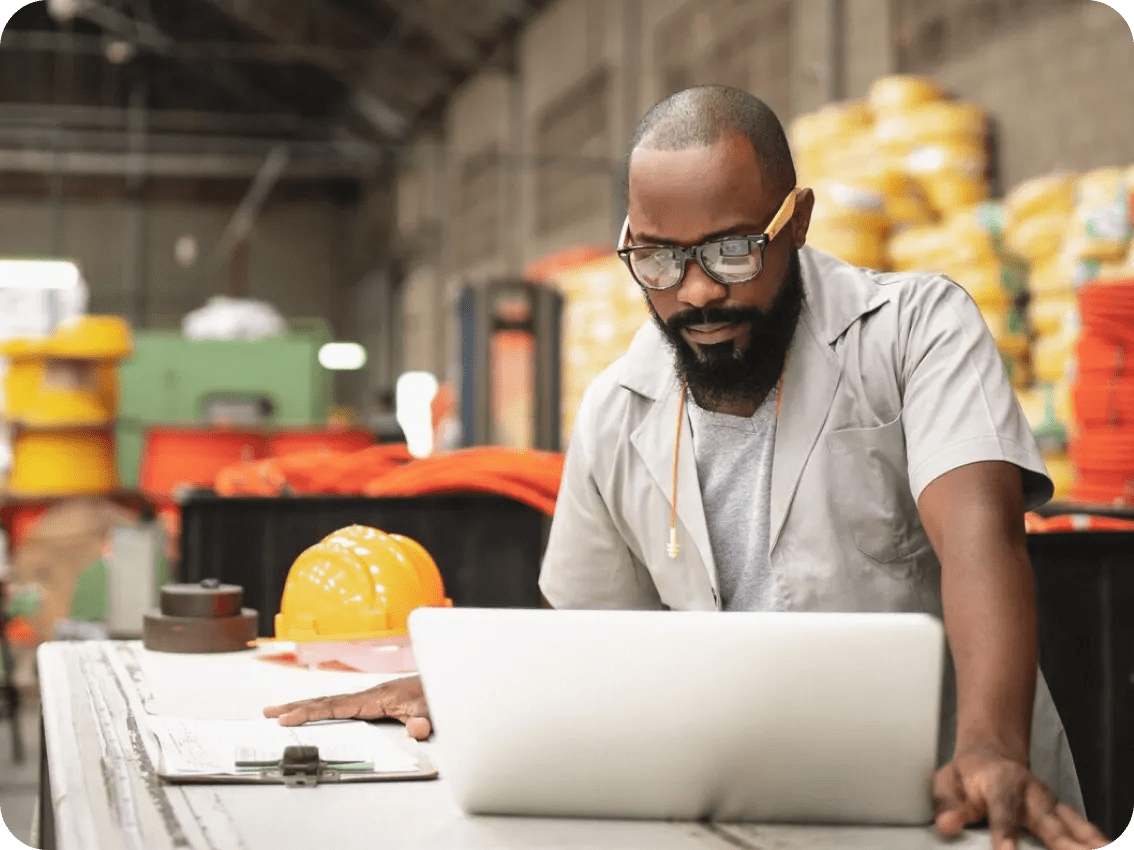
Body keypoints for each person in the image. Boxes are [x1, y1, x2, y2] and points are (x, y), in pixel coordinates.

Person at [265, 86, 1110, 850]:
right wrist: (469, 688)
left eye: (732, 250)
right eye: (660, 259)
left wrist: (991, 749)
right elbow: (600, 647)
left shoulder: (914, 331)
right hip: (744, 816)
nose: (696, 291)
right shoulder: (616, 410)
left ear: (799, 220)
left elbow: (981, 544)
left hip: (959, 812)